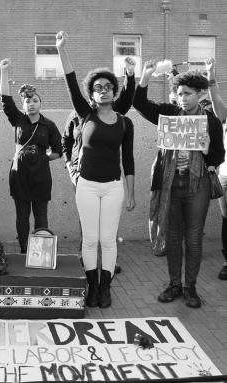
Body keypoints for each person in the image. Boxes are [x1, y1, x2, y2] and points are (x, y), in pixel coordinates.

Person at [133, 59, 224, 308]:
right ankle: (174, 284)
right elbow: (139, 104)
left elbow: (219, 156)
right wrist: (145, 76)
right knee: (173, 236)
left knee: (193, 238)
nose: (182, 98)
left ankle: (190, 287)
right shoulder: (170, 113)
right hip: (171, 182)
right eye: (179, 93)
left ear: (199, 94)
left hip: (199, 185)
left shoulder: (211, 121)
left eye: (187, 93)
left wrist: (206, 150)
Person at [56, 31, 136, 309]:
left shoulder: (125, 122)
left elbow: (129, 159)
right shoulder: (84, 114)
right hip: (87, 185)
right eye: (98, 87)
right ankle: (91, 288)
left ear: (115, 92)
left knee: (108, 240)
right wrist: (61, 49)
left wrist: (131, 193)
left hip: (113, 187)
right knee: (90, 240)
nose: (103, 89)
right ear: (91, 93)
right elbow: (69, 82)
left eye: (108, 86)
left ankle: (105, 288)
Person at [0, 58, 62, 254]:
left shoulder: (49, 125)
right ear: (23, 105)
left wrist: (43, 158)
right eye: (28, 101)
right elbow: (5, 99)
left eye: (35, 101)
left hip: (41, 177)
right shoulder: (17, 119)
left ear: (41, 103)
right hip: (20, 176)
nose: (32, 104)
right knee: (22, 215)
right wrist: (4, 72)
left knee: (41, 216)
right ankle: (25, 251)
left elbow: (59, 150)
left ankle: (40, 253)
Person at [205, 58, 227, 280]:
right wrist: (210, 73)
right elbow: (215, 98)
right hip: (226, 176)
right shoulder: (225, 115)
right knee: (226, 219)